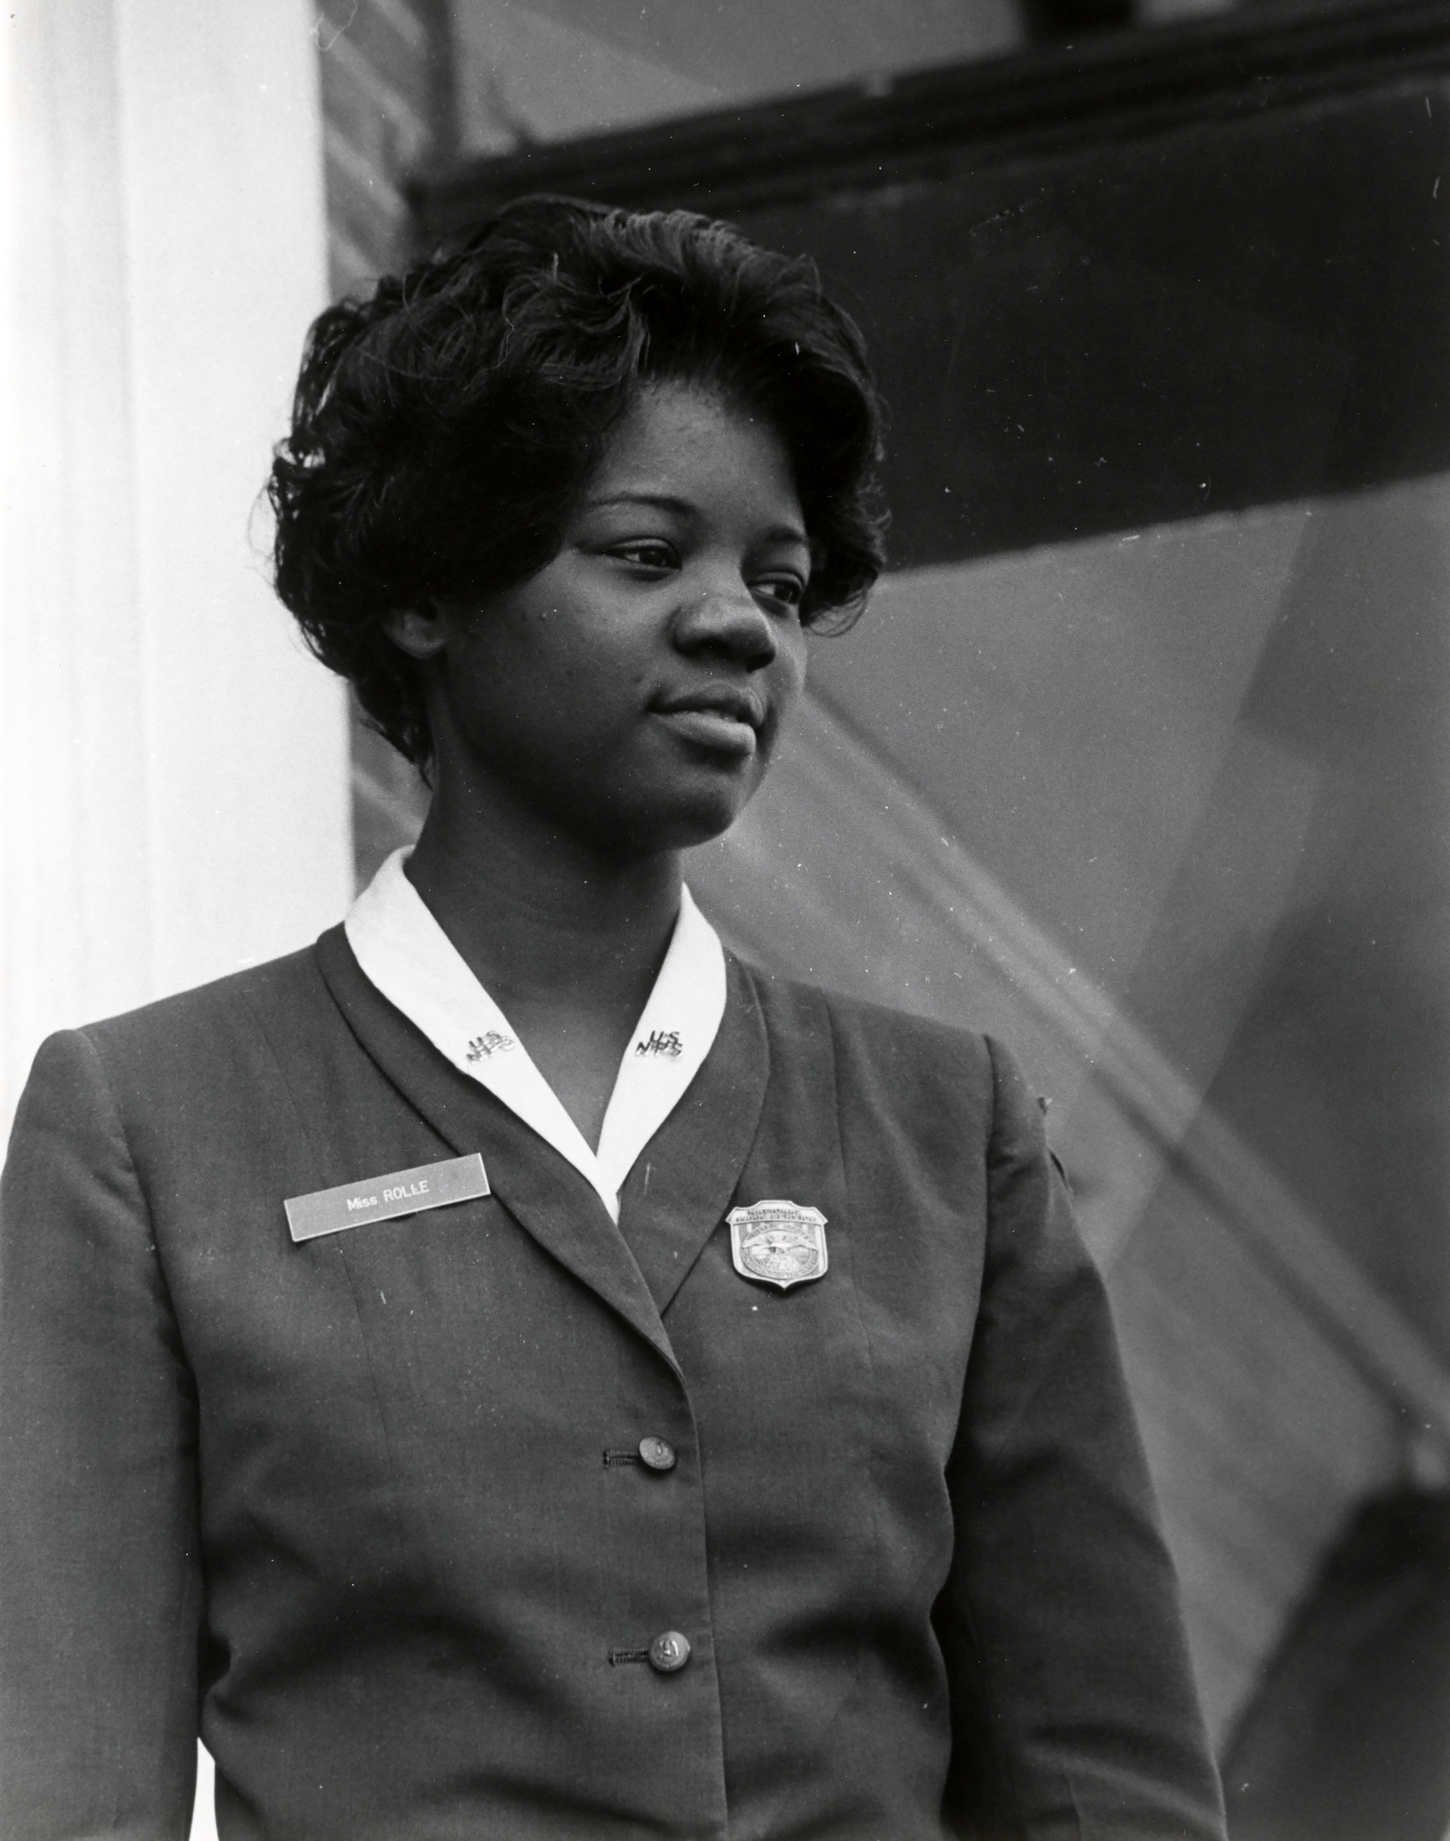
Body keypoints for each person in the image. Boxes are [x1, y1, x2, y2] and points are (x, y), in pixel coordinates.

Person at [0, 196, 1227, 1840]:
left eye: (780, 585)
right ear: (429, 593)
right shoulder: (149, 1131)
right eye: (646, 554)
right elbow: (64, 1798)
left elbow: (1107, 1785)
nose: (737, 623)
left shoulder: (949, 1128)